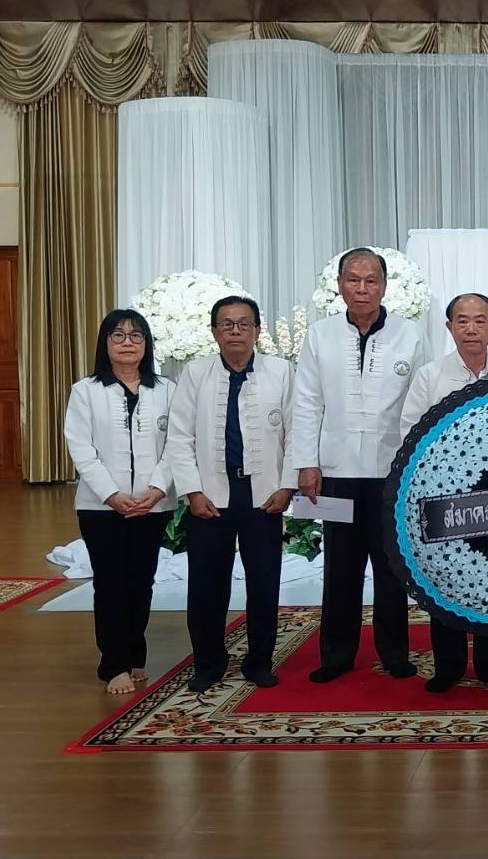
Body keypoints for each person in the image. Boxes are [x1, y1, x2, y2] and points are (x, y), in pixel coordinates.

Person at [292, 248, 426, 684]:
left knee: (391, 567)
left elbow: (423, 402)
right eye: (353, 279)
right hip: (336, 471)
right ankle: (336, 654)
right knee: (340, 568)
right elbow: (306, 402)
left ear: (384, 286)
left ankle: (394, 652)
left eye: (371, 280)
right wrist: (306, 463)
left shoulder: (411, 335)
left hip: (392, 472)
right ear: (340, 285)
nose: (362, 288)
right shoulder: (320, 335)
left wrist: (417, 467)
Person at [398, 293, 488, 692]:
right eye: (462, 321)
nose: (471, 329)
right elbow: (410, 433)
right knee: (446, 580)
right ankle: (449, 666)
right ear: (449, 327)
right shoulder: (430, 376)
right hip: (445, 497)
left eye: (480, 320)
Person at [165, 295, 297, 693]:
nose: (235, 331)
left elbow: (296, 432)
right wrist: (192, 491)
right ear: (214, 331)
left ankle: (259, 661)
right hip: (210, 496)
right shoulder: (196, 373)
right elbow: (179, 437)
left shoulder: (281, 372)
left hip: (264, 495)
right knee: (206, 586)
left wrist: (286, 485)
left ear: (257, 330)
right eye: (227, 324)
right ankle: (208, 663)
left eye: (243, 324)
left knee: (264, 583)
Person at [64, 309, 176, 695]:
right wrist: (111, 495)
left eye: (136, 335)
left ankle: (134, 654)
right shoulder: (86, 391)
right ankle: (113, 665)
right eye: (118, 335)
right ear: (105, 343)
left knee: (141, 582)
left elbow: (177, 444)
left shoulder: (166, 390)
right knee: (111, 583)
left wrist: (157, 489)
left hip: (151, 505)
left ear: (147, 343)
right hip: (100, 508)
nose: (127, 343)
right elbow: (81, 449)